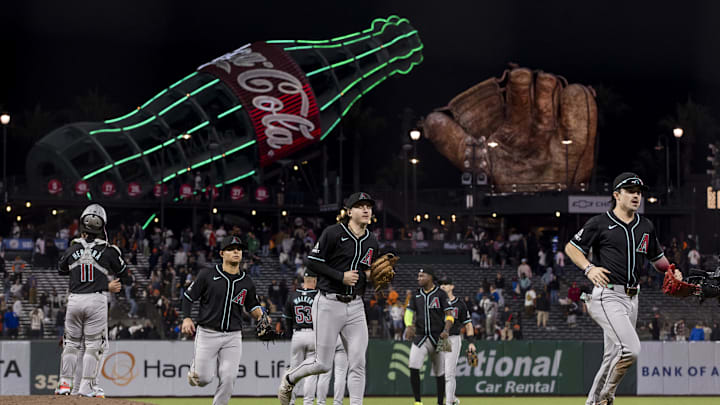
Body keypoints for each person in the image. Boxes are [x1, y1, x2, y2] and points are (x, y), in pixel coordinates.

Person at [565, 172, 681, 405]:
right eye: (630, 191)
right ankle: (606, 398)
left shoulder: (645, 226)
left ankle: (592, 403)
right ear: (617, 195)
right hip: (607, 295)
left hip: (632, 298)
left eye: (639, 192)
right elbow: (571, 248)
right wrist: (589, 268)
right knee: (631, 349)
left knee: (612, 357)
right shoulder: (599, 222)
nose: (636, 196)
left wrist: (671, 270)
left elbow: (657, 259)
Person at [278, 192, 380, 405]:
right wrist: (340, 276)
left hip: (355, 305)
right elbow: (312, 262)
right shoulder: (333, 233)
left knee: (358, 363)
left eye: (368, 206)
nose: (365, 210)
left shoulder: (371, 240)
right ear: (349, 211)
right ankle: (289, 378)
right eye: (360, 206)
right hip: (328, 303)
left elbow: (367, 271)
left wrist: (375, 277)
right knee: (322, 364)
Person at [55, 204, 133, 397]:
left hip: (74, 300)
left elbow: (61, 269)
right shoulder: (109, 250)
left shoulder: (72, 248)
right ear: (102, 226)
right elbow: (127, 277)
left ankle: (64, 384)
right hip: (95, 301)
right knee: (93, 346)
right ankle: (86, 387)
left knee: (71, 344)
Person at [181, 235, 268, 405]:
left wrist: (262, 316)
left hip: (233, 336)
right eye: (231, 248)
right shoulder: (207, 274)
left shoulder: (247, 281)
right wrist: (186, 318)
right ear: (222, 253)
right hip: (207, 333)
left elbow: (252, 306)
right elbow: (187, 297)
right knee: (204, 379)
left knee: (229, 377)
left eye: (239, 249)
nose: (236, 251)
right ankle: (195, 369)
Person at [404, 267, 454, 405]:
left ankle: (440, 402)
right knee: (413, 366)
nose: (419, 278)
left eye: (422, 276)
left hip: (441, 337)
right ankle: (418, 402)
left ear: (430, 277)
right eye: (418, 276)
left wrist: (446, 330)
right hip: (420, 336)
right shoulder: (416, 295)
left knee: (441, 372)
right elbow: (409, 313)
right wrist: (408, 325)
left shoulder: (441, 294)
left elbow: (450, 315)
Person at [439, 278, 475, 405]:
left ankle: (449, 402)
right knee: (443, 373)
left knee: (449, 373)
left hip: (453, 338)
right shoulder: (436, 303)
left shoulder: (460, 304)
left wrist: (471, 342)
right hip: (441, 340)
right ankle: (452, 398)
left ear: (452, 286)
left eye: (446, 284)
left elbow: (468, 324)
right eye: (441, 284)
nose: (443, 286)